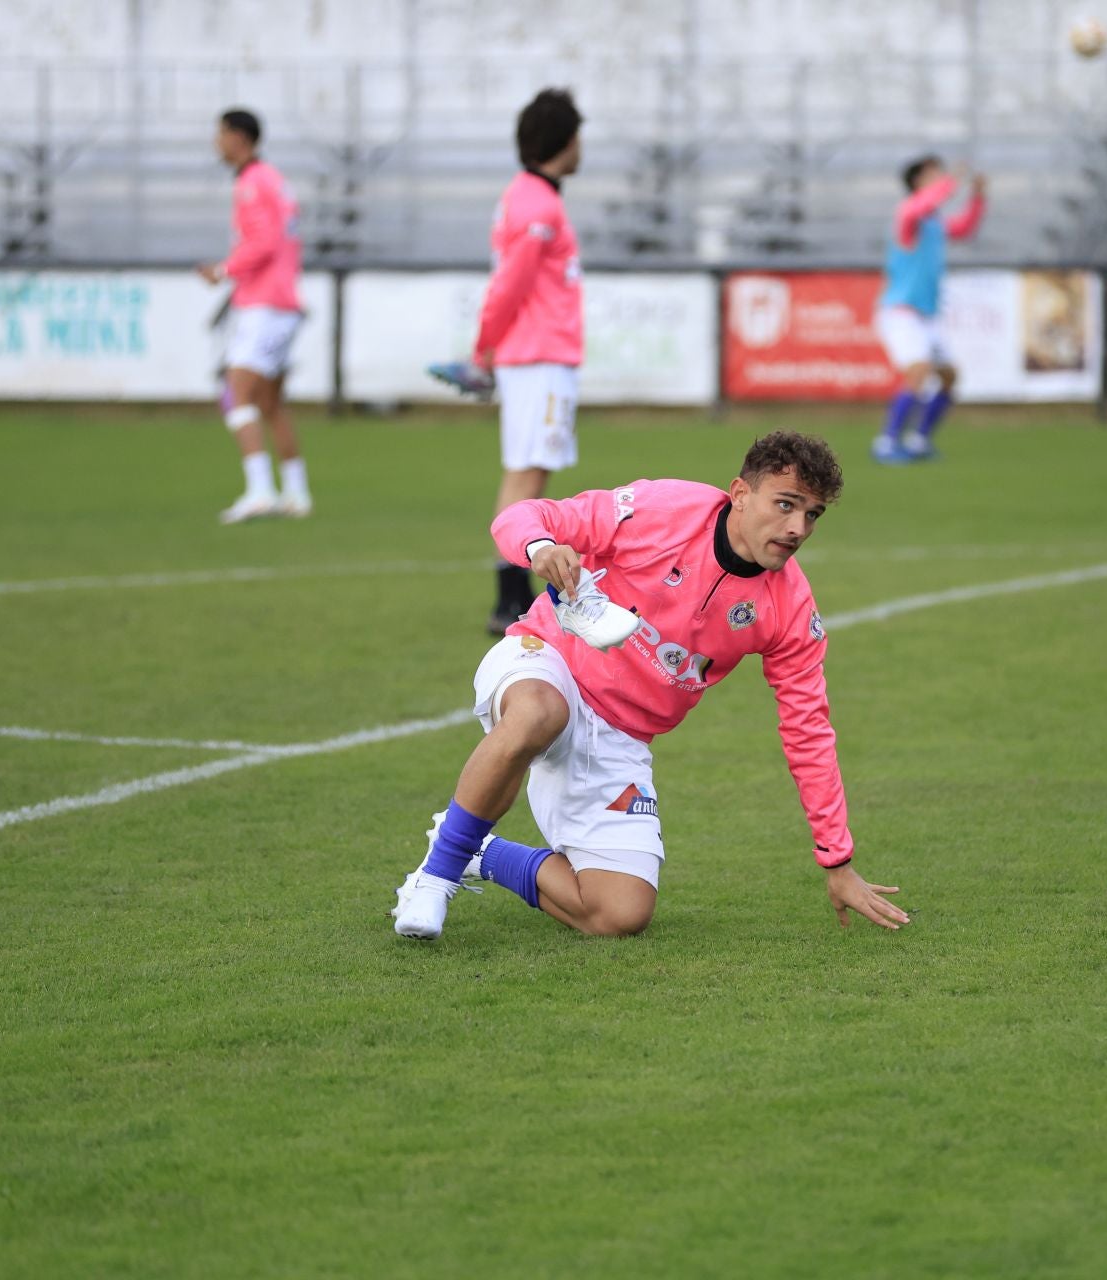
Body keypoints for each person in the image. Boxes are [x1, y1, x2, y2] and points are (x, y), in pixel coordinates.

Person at [389, 430, 910, 942]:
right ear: (741, 494)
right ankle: (435, 877)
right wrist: (541, 547)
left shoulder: (790, 608)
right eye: (786, 504)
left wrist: (836, 860)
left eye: (812, 515)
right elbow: (524, 515)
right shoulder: (663, 510)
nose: (797, 527)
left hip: (621, 736)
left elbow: (808, 731)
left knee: (620, 915)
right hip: (547, 660)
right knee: (538, 715)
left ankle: (482, 850)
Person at [429, 88, 587, 634]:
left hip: (538, 355)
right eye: (578, 134)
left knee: (528, 470)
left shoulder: (530, 196)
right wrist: (484, 348)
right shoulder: (537, 204)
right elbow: (511, 282)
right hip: (539, 355)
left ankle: (514, 593)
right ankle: (511, 597)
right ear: (563, 140)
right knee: (526, 473)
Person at [200, 108, 312, 523]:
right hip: (283, 301)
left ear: (238, 137)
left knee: (236, 393)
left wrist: (223, 270)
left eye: (220, 133)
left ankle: (260, 490)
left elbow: (264, 242)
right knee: (269, 401)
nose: (216, 142)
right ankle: (296, 493)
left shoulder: (252, 182)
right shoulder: (273, 180)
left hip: (265, 304)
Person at [872, 155, 985, 464]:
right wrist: (953, 182)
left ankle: (919, 440)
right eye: (934, 172)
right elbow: (922, 205)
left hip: (927, 315)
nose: (941, 176)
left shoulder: (933, 223)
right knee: (918, 372)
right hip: (901, 311)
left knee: (949, 376)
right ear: (918, 181)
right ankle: (886, 443)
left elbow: (963, 228)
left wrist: (978, 196)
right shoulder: (908, 213)